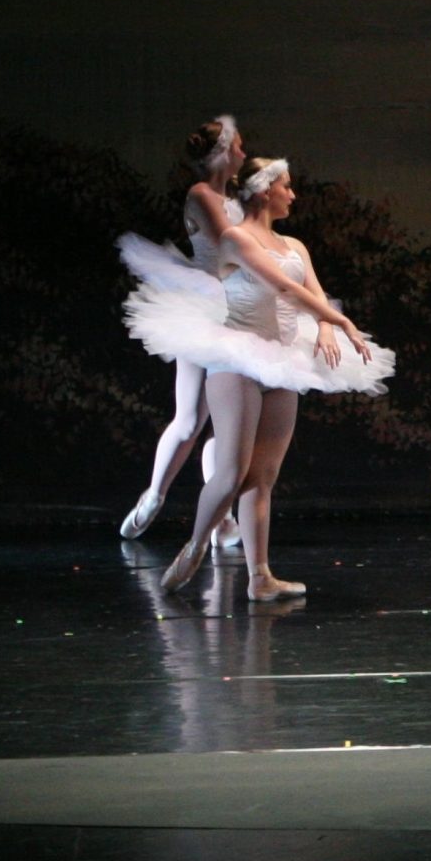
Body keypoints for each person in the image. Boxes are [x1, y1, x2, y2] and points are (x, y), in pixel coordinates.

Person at [127, 156, 392, 600]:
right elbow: (285, 288)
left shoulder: (295, 244)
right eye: (287, 185)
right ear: (265, 190)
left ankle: (260, 576)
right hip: (239, 360)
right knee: (231, 472)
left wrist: (326, 325)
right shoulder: (234, 240)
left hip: (282, 360)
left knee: (263, 476)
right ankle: (194, 546)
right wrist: (344, 324)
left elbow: (312, 290)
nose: (293, 193)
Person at [115, 114, 244, 541]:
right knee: (189, 420)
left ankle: (221, 517)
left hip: (237, 308)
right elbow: (232, 244)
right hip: (205, 305)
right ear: (223, 154)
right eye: (238, 146)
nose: (244, 152)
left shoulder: (234, 197)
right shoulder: (201, 195)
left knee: (229, 426)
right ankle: (153, 495)